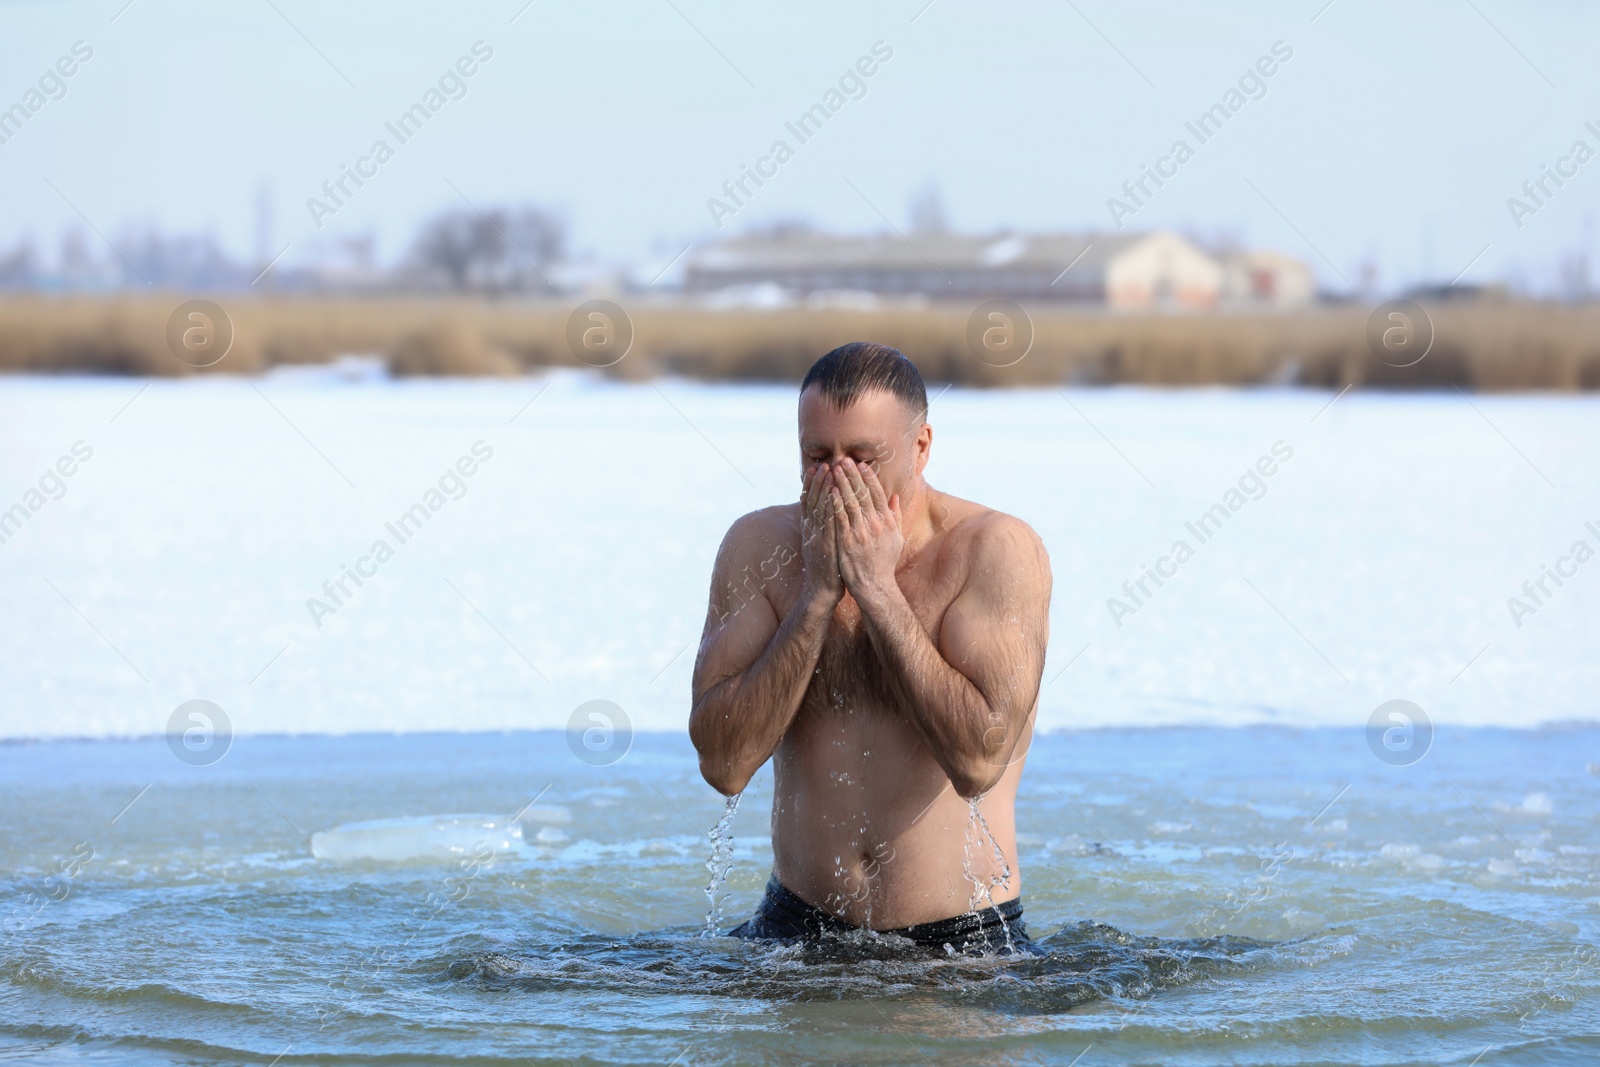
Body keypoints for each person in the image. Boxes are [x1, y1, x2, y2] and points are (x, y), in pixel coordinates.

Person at [689, 342, 1053, 954]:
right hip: (795, 927)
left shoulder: (994, 551)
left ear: (921, 447)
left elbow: (977, 763)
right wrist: (814, 598)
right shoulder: (759, 547)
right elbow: (723, 766)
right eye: (818, 456)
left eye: (863, 456)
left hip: (958, 941)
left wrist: (878, 593)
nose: (839, 478)